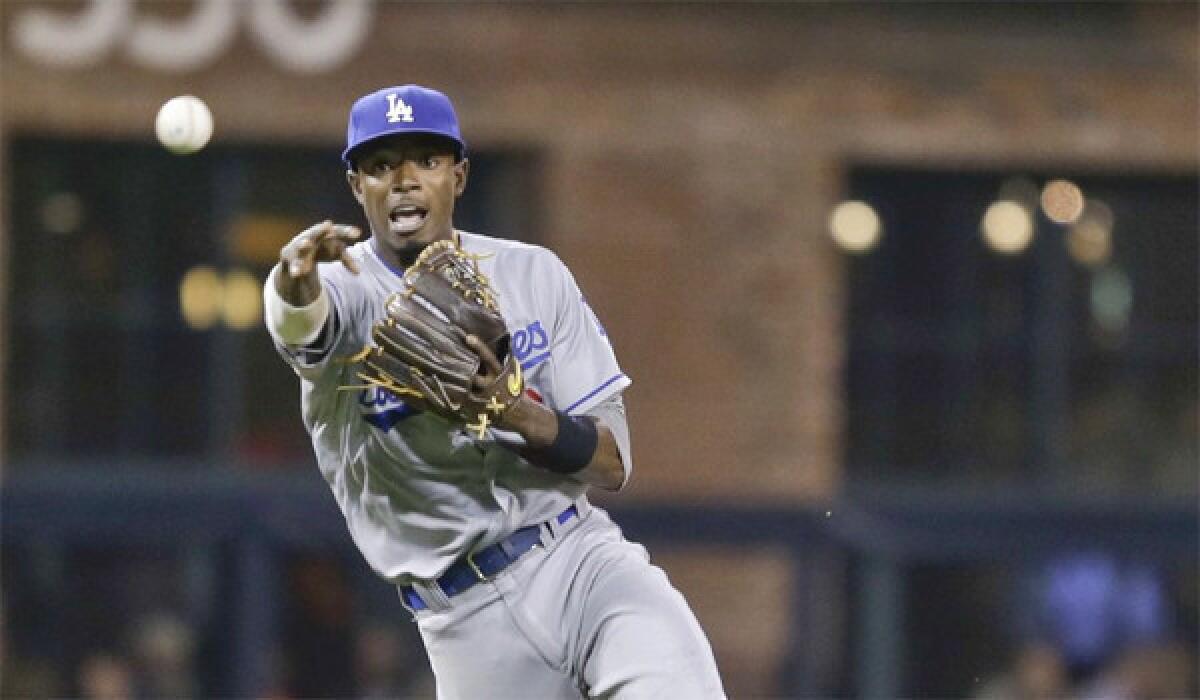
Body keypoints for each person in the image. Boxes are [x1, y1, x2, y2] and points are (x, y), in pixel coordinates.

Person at [263, 84, 725, 699]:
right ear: (357, 187)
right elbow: (300, 325)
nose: (404, 180)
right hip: (465, 617)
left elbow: (613, 463)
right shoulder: (344, 291)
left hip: (582, 563)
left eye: (425, 161)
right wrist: (292, 281)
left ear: (458, 175)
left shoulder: (534, 274)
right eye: (381, 165)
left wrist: (513, 414)